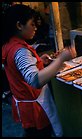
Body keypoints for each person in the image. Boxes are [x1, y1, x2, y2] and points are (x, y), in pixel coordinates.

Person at [1, 4, 77, 137]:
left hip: (25, 104)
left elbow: (18, 70)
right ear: (19, 25)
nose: (36, 27)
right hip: (33, 108)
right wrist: (60, 60)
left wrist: (39, 61)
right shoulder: (20, 51)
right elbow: (35, 80)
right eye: (32, 24)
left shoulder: (9, 44)